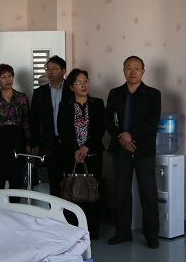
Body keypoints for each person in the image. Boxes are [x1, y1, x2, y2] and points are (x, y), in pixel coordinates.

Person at [105, 56, 162, 248]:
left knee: (148, 193)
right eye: (129, 68)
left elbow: (152, 121)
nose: (133, 72)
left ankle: (151, 235)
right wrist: (121, 137)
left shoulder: (153, 94)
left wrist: (131, 135)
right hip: (120, 148)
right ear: (123, 71)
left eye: (137, 68)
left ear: (143, 71)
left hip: (143, 149)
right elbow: (107, 120)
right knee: (121, 192)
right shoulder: (115, 93)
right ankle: (123, 233)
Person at [58, 69, 105, 239]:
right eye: (79, 82)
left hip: (93, 155)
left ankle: (92, 228)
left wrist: (86, 147)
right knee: (72, 190)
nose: (83, 85)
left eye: (86, 81)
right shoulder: (65, 105)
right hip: (72, 156)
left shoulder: (98, 103)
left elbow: (101, 128)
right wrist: (76, 150)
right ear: (71, 87)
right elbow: (62, 130)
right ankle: (73, 228)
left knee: (92, 190)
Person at [0, 64, 31, 192]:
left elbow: (27, 122)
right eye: (3, 77)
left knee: (16, 179)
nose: (7, 79)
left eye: (10, 76)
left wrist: (28, 144)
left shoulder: (22, 97)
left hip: (17, 139)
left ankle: (14, 205)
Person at [30, 56, 72, 196]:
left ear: (63, 71)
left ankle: (71, 210)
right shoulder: (40, 92)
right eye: (48, 69)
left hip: (70, 142)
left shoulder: (72, 89)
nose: (50, 72)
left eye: (55, 68)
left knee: (72, 179)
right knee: (54, 180)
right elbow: (34, 120)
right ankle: (55, 210)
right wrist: (35, 143)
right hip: (49, 142)